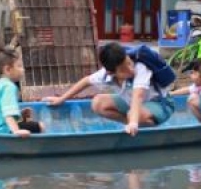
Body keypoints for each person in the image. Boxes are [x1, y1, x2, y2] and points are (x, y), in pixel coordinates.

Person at [43, 42, 174, 136]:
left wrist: (133, 122)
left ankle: (138, 127)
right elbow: (86, 81)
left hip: (161, 104)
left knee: (132, 115)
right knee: (97, 103)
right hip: (134, 106)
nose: (130, 69)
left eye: (129, 62)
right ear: (111, 73)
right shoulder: (106, 74)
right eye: (123, 69)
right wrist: (61, 99)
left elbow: (137, 96)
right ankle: (133, 124)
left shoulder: (141, 67)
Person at [0, 46, 44, 136]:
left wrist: (20, 115)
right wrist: (16, 131)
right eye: (19, 66)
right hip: (1, 132)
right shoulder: (9, 87)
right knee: (40, 126)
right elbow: (8, 114)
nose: (23, 69)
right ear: (8, 69)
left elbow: (2, 112)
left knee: (29, 124)